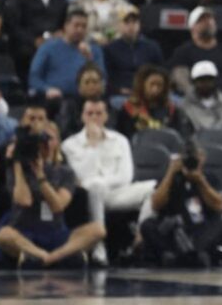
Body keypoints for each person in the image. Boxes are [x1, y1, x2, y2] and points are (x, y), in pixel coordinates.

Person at [0, 120, 106, 267]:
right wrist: (17, 162)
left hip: (55, 232)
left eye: (49, 138)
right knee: (4, 234)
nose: (44, 144)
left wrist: (41, 176)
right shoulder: (17, 169)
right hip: (25, 232)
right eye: (40, 139)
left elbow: (58, 206)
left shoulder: (65, 172)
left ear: (58, 143)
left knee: (98, 229)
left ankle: (48, 258)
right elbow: (24, 200)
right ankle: (48, 256)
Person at [61, 98, 156, 266]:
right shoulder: (69, 145)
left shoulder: (120, 140)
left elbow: (125, 176)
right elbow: (79, 179)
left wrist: (100, 182)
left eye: (98, 113)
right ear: (83, 116)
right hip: (88, 196)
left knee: (153, 187)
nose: (94, 118)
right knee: (95, 187)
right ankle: (98, 246)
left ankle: (139, 239)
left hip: (116, 193)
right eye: (90, 113)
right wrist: (93, 145)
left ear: (106, 117)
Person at [138, 140, 222, 266]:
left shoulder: (211, 177)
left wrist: (201, 181)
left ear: (203, 158)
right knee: (147, 225)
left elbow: (221, 206)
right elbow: (156, 205)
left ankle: (193, 252)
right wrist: (170, 172)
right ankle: (172, 254)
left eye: (197, 156)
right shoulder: (171, 177)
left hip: (200, 228)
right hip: (174, 228)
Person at [5, 0, 69, 79]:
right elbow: (14, 27)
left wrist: (61, 33)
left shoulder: (61, 1)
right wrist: (34, 40)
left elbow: (66, 23)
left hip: (56, 42)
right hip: (29, 45)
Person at [29, 8, 106, 101]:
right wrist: (47, 89)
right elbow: (34, 77)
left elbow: (102, 79)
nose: (80, 30)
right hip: (56, 98)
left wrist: (89, 58)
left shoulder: (94, 49)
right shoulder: (48, 47)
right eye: (76, 25)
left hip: (86, 99)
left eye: (84, 26)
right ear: (66, 26)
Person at [168, 6, 222, 96]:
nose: (208, 22)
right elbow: (181, 81)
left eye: (210, 18)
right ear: (192, 26)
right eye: (202, 20)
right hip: (193, 103)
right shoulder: (182, 52)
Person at [103, 5, 163, 105]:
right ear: (119, 25)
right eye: (126, 22)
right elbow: (106, 77)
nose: (131, 26)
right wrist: (118, 90)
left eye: (134, 22)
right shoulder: (110, 49)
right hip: (122, 94)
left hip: (150, 92)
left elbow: (161, 72)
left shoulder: (152, 47)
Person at [115, 64, 192, 139]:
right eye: (152, 84)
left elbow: (178, 137)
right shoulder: (128, 109)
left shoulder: (171, 110)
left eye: (159, 85)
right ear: (142, 85)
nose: (155, 89)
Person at [179, 60, 222, 132]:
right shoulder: (184, 106)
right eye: (201, 80)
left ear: (215, 81)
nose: (205, 83)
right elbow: (185, 132)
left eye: (209, 79)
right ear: (194, 82)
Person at [54, 62, 106, 137]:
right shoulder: (69, 106)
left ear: (101, 85)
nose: (91, 86)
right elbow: (64, 132)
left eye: (95, 82)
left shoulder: (108, 106)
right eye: (87, 82)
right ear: (79, 86)